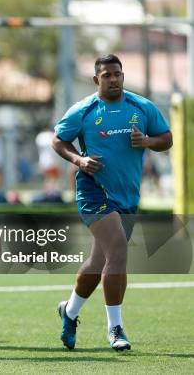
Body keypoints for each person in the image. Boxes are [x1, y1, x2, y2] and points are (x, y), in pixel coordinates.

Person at [53, 54, 172, 351]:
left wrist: (147, 142)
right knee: (118, 249)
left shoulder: (141, 107)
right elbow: (58, 140)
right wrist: (79, 160)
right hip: (94, 191)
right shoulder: (83, 110)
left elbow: (166, 138)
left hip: (128, 196)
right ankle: (115, 328)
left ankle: (69, 312)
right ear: (97, 80)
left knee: (100, 261)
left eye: (117, 74)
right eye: (107, 75)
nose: (114, 79)